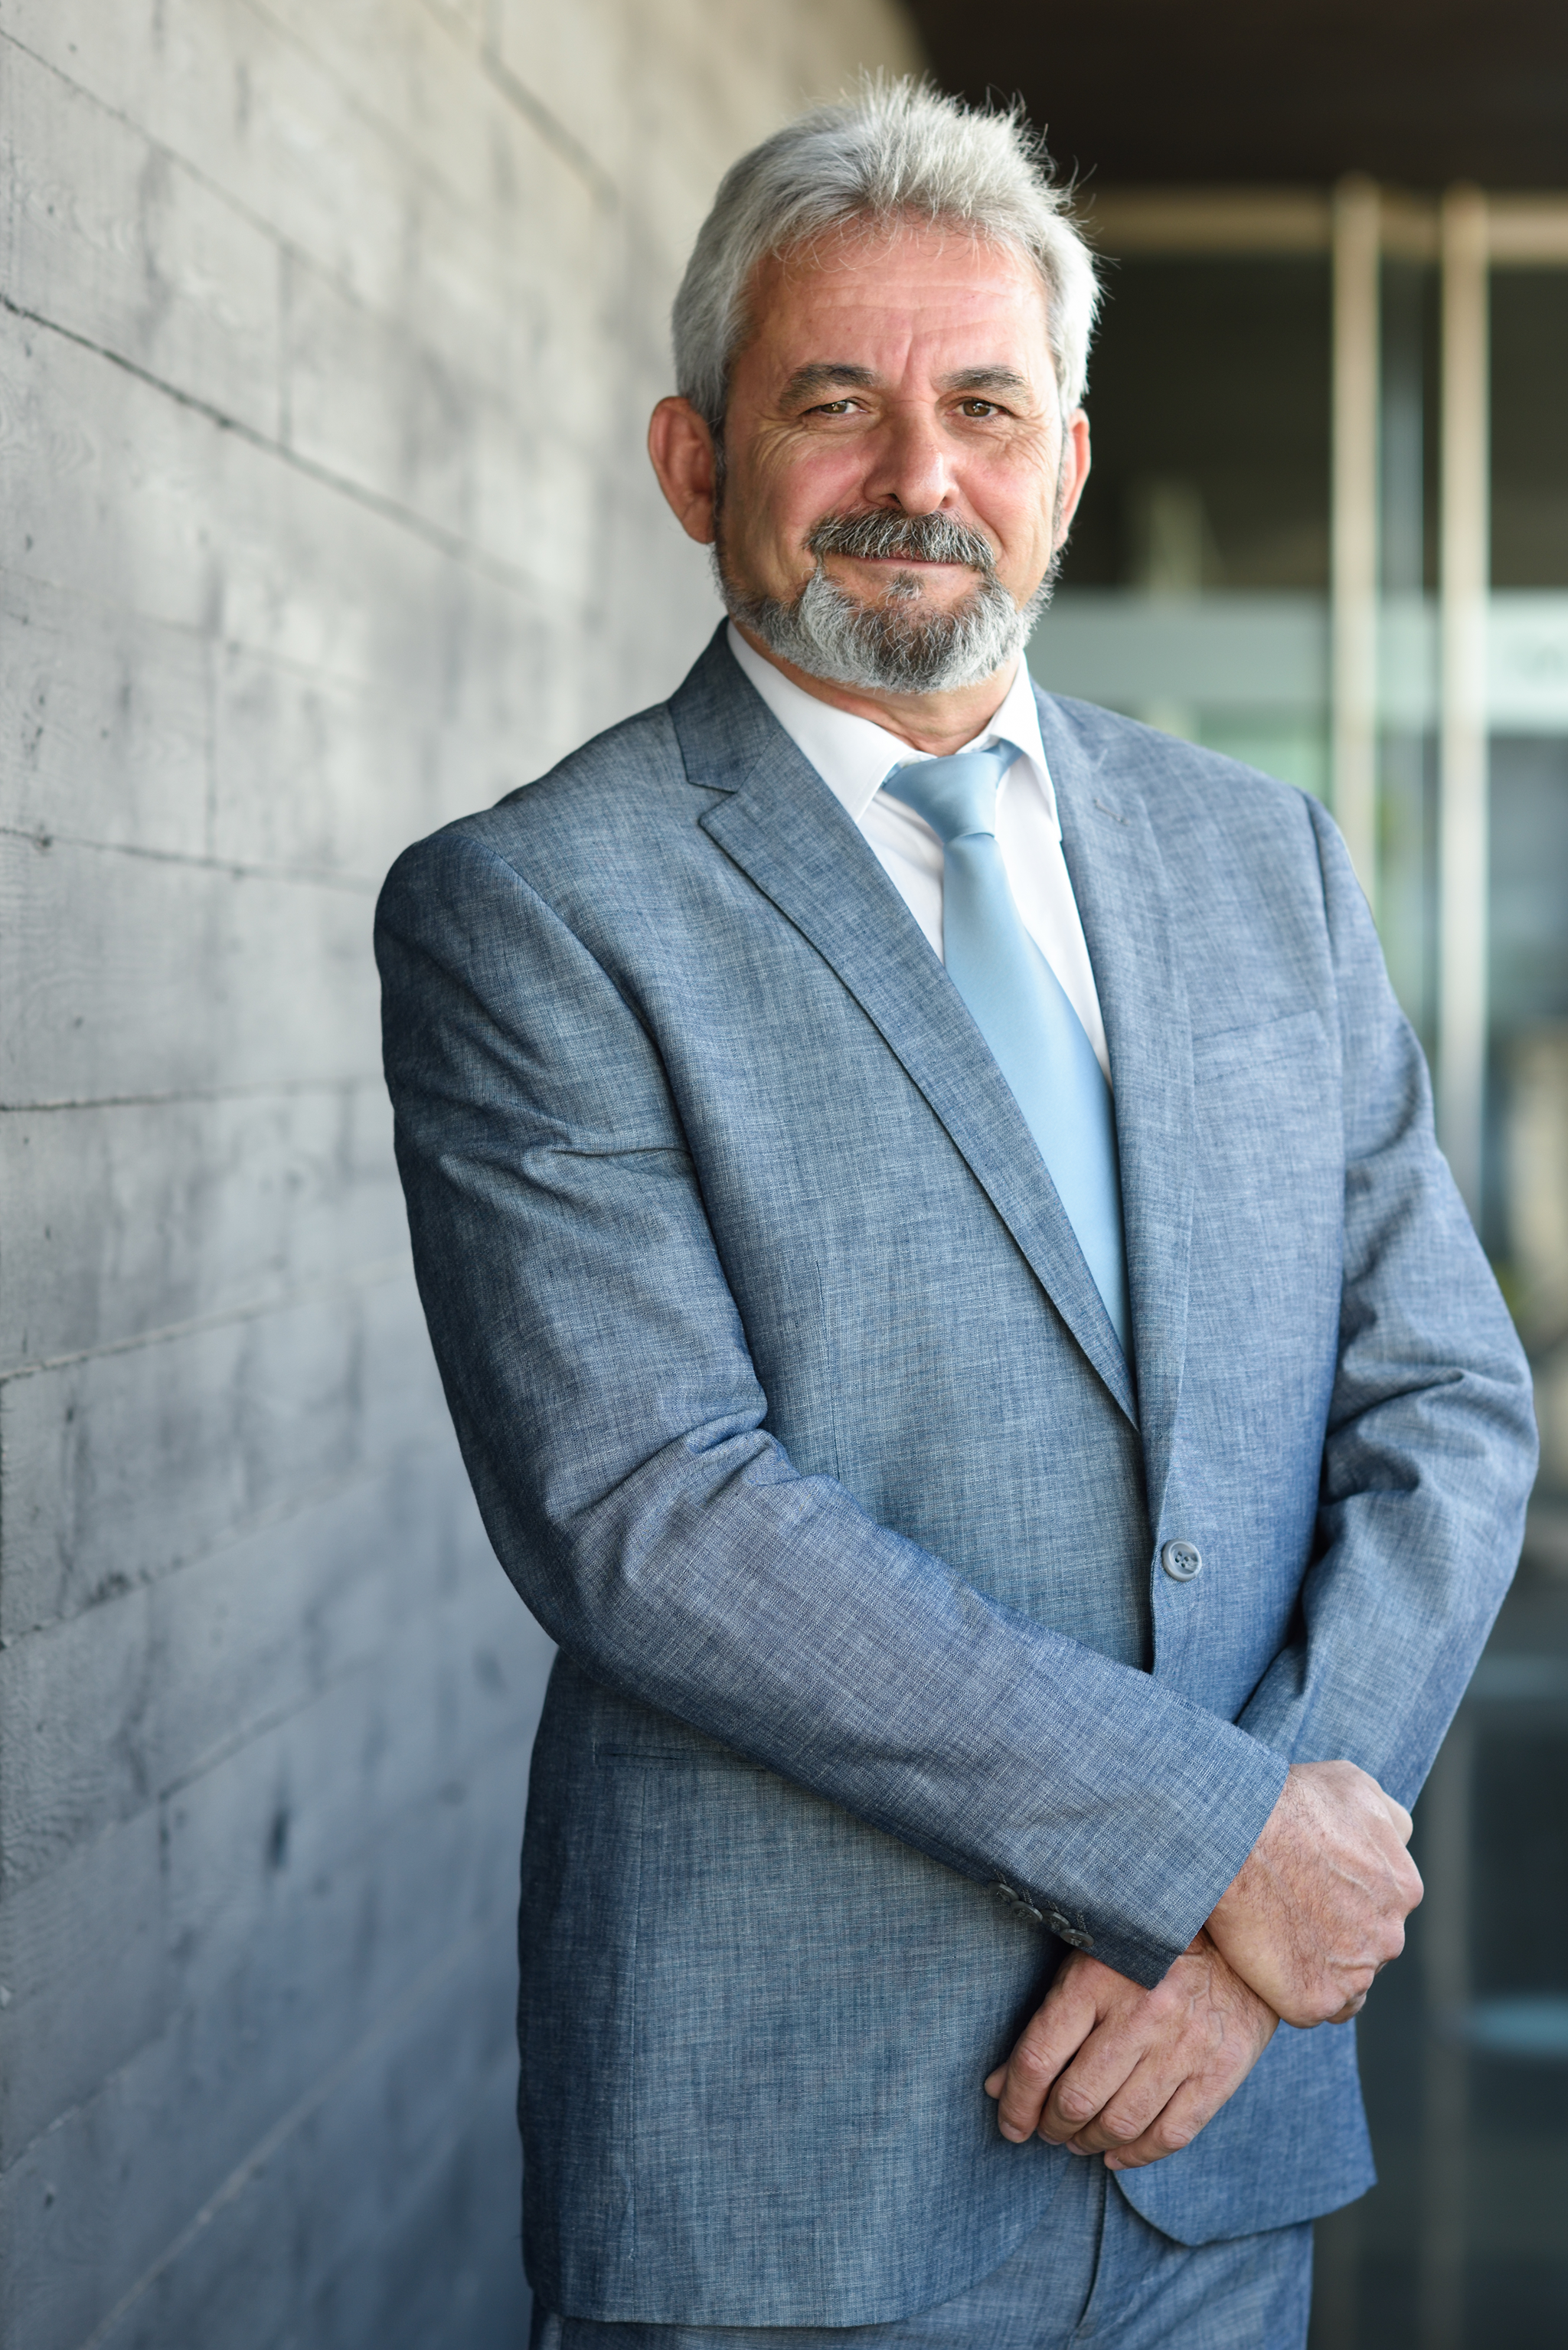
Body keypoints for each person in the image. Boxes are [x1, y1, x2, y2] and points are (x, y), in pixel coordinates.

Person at [376, 80, 1536, 2350]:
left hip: (1221, 2146)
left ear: (1070, 465)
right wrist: (1222, 1854)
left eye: (987, 406)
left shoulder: (1261, 862)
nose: (923, 477)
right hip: (789, 2187)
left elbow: (1451, 1409)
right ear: (696, 460)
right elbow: (654, 1514)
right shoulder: (538, 911)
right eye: (837, 400)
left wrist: (1241, 1946)